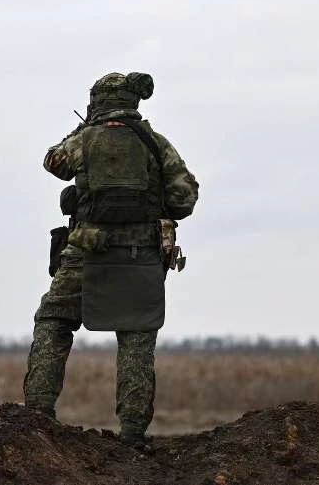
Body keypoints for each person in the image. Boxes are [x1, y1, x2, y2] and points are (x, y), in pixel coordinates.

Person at [23, 72, 199, 446]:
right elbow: (184, 200)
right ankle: (132, 432)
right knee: (137, 334)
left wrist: (83, 128)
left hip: (86, 253)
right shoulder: (155, 143)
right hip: (141, 255)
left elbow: (53, 162)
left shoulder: (84, 140)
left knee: (53, 320)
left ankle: (37, 416)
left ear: (96, 103)